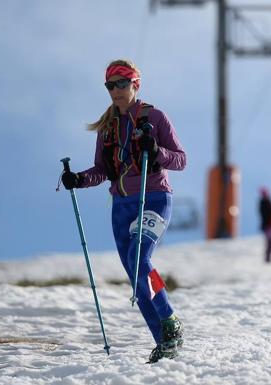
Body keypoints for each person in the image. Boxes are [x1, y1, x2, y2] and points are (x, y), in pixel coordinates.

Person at [61, 59, 187, 363]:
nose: (116, 90)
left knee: (138, 258)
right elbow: (102, 170)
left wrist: (157, 151)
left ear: (135, 84)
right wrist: (78, 179)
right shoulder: (106, 128)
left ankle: (169, 319)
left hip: (154, 196)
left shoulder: (154, 117)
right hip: (121, 206)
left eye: (122, 83)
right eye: (110, 85)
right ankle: (164, 344)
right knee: (135, 274)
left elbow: (181, 159)